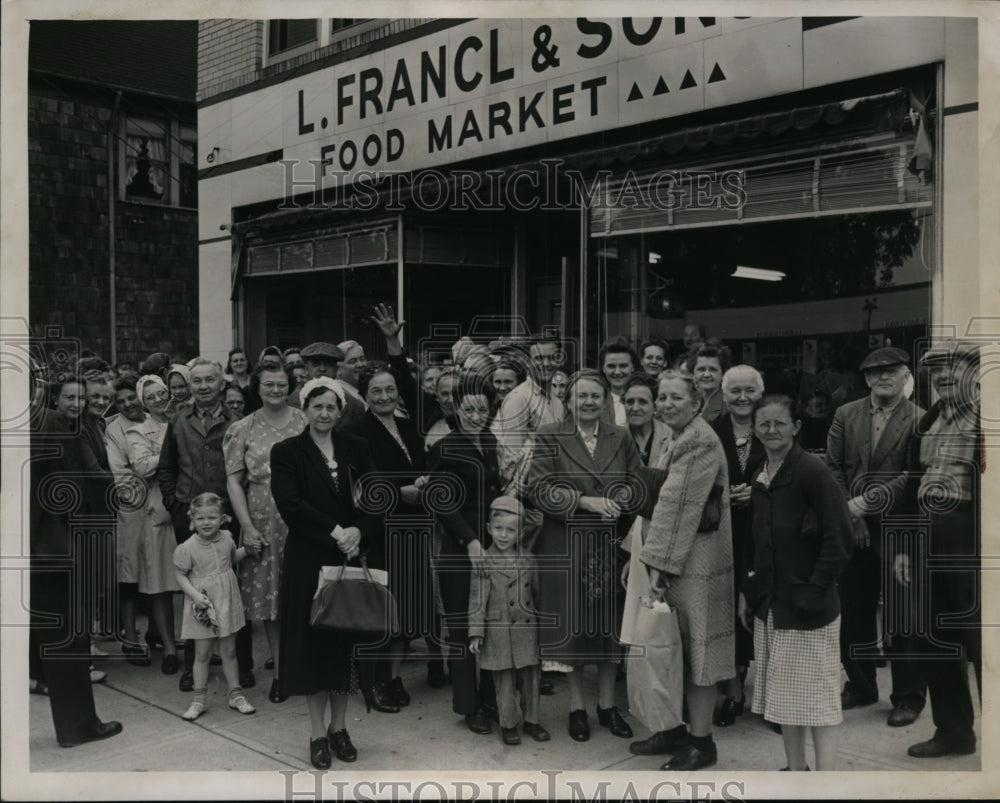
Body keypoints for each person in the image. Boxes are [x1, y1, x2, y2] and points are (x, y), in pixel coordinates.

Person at [270, 376, 382, 768]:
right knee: (311, 648)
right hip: (309, 559)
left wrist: (358, 531)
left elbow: (376, 497)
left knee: (343, 647)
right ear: (305, 409)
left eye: (331, 407)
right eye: (317, 406)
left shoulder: (357, 447)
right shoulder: (287, 452)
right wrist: (337, 531)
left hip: (350, 557)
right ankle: (317, 733)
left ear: (340, 411)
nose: (324, 413)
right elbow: (291, 504)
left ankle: (340, 728)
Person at [739, 394, 853, 771]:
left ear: (796, 427)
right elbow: (757, 537)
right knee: (785, 695)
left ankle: (825, 778)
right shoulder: (760, 470)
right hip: (772, 603)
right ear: (754, 429)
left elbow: (840, 539)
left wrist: (815, 588)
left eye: (779, 423)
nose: (771, 430)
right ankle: (795, 768)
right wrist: (749, 589)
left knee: (818, 697)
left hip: (809, 605)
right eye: (764, 424)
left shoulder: (811, 472)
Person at [527, 369, 638, 743]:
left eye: (596, 396)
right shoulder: (549, 435)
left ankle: (607, 705)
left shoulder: (620, 436)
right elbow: (538, 489)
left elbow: (636, 483)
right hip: (566, 544)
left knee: (609, 629)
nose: (588, 402)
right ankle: (577, 707)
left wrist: (620, 501)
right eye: (581, 396)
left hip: (610, 546)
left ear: (606, 400)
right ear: (568, 401)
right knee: (574, 629)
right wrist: (586, 501)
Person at [635, 371, 734, 770]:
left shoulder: (697, 440)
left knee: (697, 654)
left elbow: (676, 506)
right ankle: (675, 730)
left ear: (696, 404)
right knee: (671, 650)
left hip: (696, 563)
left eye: (677, 398)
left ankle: (702, 743)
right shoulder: (675, 436)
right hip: (677, 559)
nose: (666, 404)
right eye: (662, 397)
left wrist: (656, 566)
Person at [826, 347, 926, 725]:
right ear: (866, 379)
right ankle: (862, 685)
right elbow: (833, 467)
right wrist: (851, 517)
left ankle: (908, 696)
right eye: (875, 373)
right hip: (853, 524)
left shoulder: (919, 419)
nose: (883, 378)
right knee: (854, 610)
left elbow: (912, 476)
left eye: (892, 371)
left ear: (905, 377)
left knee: (903, 615)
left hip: (900, 527)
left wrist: (864, 505)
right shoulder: (845, 414)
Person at [895, 342, 981, 758]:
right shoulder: (931, 418)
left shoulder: (987, 417)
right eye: (936, 370)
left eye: (954, 368)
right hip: (928, 532)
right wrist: (907, 546)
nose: (944, 376)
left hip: (970, 536)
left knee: (981, 643)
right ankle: (953, 732)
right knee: (933, 638)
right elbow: (914, 484)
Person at [30, 376, 122, 748]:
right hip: (56, 549)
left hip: (36, 550)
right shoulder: (49, 423)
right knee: (69, 640)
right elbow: (70, 489)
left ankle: (74, 722)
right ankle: (78, 726)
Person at [157, 358, 254, 692]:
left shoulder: (238, 421)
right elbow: (166, 467)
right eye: (196, 381)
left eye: (209, 380)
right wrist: (174, 502)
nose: (202, 387)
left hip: (229, 514)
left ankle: (242, 665)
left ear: (221, 384)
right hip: (191, 516)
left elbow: (247, 471)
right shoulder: (178, 420)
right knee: (195, 590)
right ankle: (192, 666)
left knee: (234, 586)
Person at [346, 360, 433, 709]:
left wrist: (426, 482)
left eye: (390, 390)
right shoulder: (354, 431)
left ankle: (393, 675)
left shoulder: (409, 427)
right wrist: (400, 492)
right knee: (379, 612)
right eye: (376, 391)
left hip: (412, 530)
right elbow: (357, 488)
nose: (385, 396)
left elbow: (422, 468)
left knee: (405, 611)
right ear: (365, 396)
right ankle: (374, 684)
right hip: (378, 531)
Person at [223, 362, 306, 705]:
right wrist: (246, 525)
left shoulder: (305, 420)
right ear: (256, 388)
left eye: (281, 384)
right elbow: (233, 480)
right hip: (263, 520)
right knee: (272, 599)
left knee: (306, 594)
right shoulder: (243, 427)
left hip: (303, 518)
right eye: (268, 384)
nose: (276, 390)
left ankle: (307, 667)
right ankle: (281, 673)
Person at [427, 374, 503, 735]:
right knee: (461, 630)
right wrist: (470, 541)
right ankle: (468, 705)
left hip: (492, 547)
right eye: (468, 408)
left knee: (488, 626)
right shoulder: (444, 448)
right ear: (456, 409)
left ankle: (491, 699)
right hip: (460, 551)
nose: (475, 414)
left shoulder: (490, 441)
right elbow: (442, 503)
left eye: (482, 409)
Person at [105, 375, 180, 674]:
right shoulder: (115, 431)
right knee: (131, 574)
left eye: (130, 398)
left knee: (157, 572)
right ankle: (131, 638)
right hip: (132, 506)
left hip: (159, 504)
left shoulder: (155, 419)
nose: (127, 404)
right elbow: (120, 473)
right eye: (120, 402)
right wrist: (147, 486)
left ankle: (157, 633)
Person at [468, 496, 551, 746]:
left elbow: (537, 595)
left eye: (511, 530)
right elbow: (477, 600)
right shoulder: (484, 562)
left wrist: (544, 627)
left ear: (520, 532)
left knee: (531, 680)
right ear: (488, 528)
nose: (504, 535)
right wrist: (476, 632)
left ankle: (533, 721)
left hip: (526, 630)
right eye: (498, 529)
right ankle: (508, 724)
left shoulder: (529, 559)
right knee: (503, 682)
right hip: (498, 631)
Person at [710, 366, 766, 727]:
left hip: (766, 534)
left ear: (759, 393)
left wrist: (757, 492)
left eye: (749, 390)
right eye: (735, 391)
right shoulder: (712, 430)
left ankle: (771, 697)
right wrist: (724, 496)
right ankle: (733, 692)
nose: (742, 397)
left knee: (764, 614)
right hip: (723, 534)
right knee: (729, 614)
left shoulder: (774, 423)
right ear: (724, 393)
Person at [173, 493, 256, 721]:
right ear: (192, 520)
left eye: (212, 517)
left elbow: (231, 559)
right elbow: (180, 575)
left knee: (229, 651)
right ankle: (198, 699)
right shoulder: (187, 548)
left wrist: (247, 550)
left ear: (223, 518)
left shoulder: (227, 538)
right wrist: (195, 596)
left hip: (226, 600)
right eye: (201, 518)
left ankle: (235, 694)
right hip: (204, 604)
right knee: (202, 654)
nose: (206, 523)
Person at [492, 335, 564, 497]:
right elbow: (511, 459)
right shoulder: (519, 398)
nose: (545, 364)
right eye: (539, 358)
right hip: (525, 497)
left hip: (551, 492)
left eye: (551, 358)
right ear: (529, 361)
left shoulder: (556, 401)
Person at [622, 374, 672, 468]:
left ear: (655, 407)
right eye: (630, 402)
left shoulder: (671, 436)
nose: (635, 408)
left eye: (642, 402)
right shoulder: (616, 437)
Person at [685, 342, 731, 424]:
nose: (706, 374)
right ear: (692, 373)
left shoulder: (728, 407)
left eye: (713, 369)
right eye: (701, 369)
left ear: (723, 374)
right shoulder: (687, 403)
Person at [598, 338, 638, 426]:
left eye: (623, 366)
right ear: (603, 368)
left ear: (633, 367)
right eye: (611, 366)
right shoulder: (598, 403)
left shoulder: (644, 400)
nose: (617, 372)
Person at [424, 368, 458, 451]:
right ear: (437, 396)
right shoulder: (429, 423)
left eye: (455, 393)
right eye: (445, 394)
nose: (451, 399)